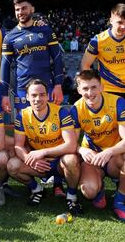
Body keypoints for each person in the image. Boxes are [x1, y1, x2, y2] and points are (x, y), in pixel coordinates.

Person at [70, 69, 125, 222]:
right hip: (93, 158)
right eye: (85, 88)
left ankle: (119, 202)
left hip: (114, 157)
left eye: (94, 87)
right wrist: (81, 150)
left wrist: (109, 152)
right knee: (89, 191)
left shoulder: (117, 102)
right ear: (79, 90)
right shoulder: (76, 108)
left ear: (101, 87)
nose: (90, 92)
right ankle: (99, 188)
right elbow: (71, 144)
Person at [7, 79, 82, 214]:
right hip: (39, 164)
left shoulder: (61, 112)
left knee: (71, 159)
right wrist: (29, 160)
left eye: (42, 95)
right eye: (34, 95)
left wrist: (42, 152)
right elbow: (18, 146)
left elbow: (71, 145)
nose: (38, 99)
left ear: (47, 96)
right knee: (12, 165)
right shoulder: (22, 116)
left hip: (60, 162)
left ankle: (72, 197)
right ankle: (37, 189)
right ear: (27, 97)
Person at [1, 0, 64, 117]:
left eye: (24, 8)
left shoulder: (45, 30)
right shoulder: (9, 37)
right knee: (25, 128)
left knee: (51, 125)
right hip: (22, 90)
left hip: (47, 87)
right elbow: (5, 67)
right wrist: (4, 95)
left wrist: (58, 85)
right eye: (17, 9)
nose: (20, 12)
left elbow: (57, 58)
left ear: (32, 9)